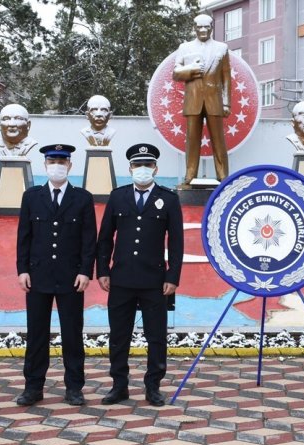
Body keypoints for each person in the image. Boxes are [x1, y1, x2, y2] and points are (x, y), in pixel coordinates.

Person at [97, 143, 184, 407]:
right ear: (130, 168)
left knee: (156, 335)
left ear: (155, 168)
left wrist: (172, 276)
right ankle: (119, 385)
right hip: (121, 278)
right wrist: (102, 270)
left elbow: (177, 242)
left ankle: (153, 386)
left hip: (154, 281)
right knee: (119, 335)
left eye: (147, 165)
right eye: (138, 165)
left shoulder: (169, 199)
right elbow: (105, 238)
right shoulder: (118, 196)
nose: (142, 170)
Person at [15, 144, 97, 407]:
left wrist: (86, 271)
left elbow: (89, 240)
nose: (57, 166)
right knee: (36, 333)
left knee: (72, 334)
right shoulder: (31, 197)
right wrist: (22, 269)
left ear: (70, 165)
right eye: (52, 161)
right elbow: (23, 238)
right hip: (38, 276)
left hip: (71, 277)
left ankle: (74, 387)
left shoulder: (82, 198)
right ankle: (33, 387)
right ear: (45, 165)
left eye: (62, 161)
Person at [173, 14, 231, 185]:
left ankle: (223, 176)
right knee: (191, 140)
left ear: (212, 28)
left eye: (207, 27)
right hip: (193, 100)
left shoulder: (222, 48)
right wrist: (191, 69)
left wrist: (227, 102)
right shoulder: (185, 47)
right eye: (200, 27)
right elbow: (175, 73)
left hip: (215, 100)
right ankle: (190, 175)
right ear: (194, 28)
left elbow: (226, 77)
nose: (203, 30)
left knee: (219, 140)